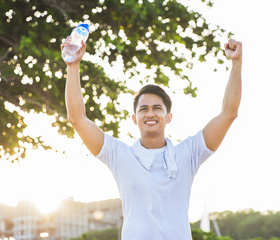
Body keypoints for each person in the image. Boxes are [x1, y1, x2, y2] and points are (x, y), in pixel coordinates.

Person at [61, 35, 242, 240]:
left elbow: (229, 114)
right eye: (143, 109)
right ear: (134, 118)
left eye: (157, 108)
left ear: (169, 117)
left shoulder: (188, 153)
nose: (150, 114)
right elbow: (77, 118)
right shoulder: (119, 156)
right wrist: (72, 65)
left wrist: (236, 63)